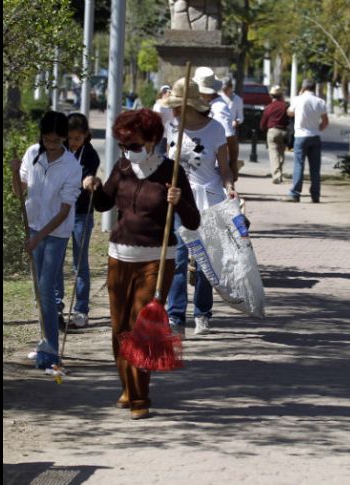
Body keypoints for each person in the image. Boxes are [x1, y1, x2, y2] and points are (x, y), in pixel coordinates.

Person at [83, 108, 200, 420]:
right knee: (118, 329)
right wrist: (93, 185)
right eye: (122, 145)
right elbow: (106, 203)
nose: (127, 152)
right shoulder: (122, 168)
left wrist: (180, 201)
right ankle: (127, 387)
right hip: (118, 257)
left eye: (133, 146)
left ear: (152, 141)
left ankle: (140, 397)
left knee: (140, 329)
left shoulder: (171, 172)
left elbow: (193, 220)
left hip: (156, 261)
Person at [161, 78, 239, 336]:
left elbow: (225, 169)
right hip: (179, 200)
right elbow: (163, 167)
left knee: (206, 261)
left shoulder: (215, 129)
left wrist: (230, 187)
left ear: (189, 106)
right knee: (179, 258)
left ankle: (203, 313)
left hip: (210, 198)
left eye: (176, 106)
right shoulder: (171, 128)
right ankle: (175, 315)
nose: (172, 110)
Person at [11, 111, 82, 369]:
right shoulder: (32, 154)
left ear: (64, 138)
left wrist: (38, 238)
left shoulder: (72, 166)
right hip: (34, 225)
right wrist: (13, 172)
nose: (51, 146)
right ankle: (44, 340)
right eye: (47, 140)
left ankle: (51, 350)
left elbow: (64, 211)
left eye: (56, 141)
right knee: (38, 291)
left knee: (46, 288)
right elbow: (19, 190)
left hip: (56, 232)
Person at [56, 113, 101, 329]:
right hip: (59, 213)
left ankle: (81, 310)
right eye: (70, 138)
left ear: (85, 136)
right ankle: (56, 306)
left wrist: (89, 181)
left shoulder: (91, 155)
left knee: (79, 263)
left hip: (82, 213)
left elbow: (89, 176)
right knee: (56, 260)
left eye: (77, 138)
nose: (72, 142)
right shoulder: (58, 151)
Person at [193, 67, 241, 182]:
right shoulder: (205, 104)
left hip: (215, 166)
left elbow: (229, 139)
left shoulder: (219, 108)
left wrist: (233, 165)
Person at [285, 79, 328, 203]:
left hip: (300, 136)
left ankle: (295, 193)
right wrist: (317, 129)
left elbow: (290, 113)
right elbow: (325, 122)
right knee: (315, 168)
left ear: (303, 88)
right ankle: (315, 195)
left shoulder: (297, 99)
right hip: (315, 137)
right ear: (314, 88)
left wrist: (299, 95)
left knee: (299, 164)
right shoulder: (320, 101)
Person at [259, 85, 288, 184]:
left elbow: (263, 121)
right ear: (281, 95)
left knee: (273, 154)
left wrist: (262, 129)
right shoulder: (285, 106)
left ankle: (276, 175)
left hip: (272, 131)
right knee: (281, 153)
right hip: (284, 131)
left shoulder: (269, 107)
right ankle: (279, 173)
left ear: (271, 96)